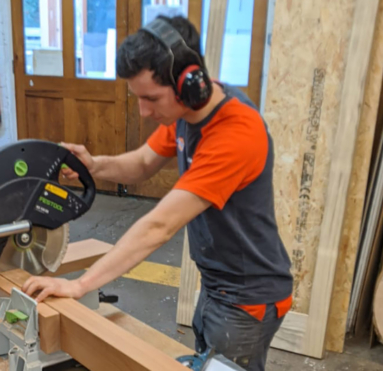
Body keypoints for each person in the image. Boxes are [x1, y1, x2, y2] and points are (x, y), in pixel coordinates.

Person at [22, 15, 293, 371]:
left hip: (247, 298)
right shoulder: (186, 113)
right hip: (217, 285)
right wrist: (94, 165)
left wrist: (81, 285)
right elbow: (143, 162)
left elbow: (159, 226)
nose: (144, 111)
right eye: (137, 98)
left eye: (151, 98)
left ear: (188, 83)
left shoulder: (235, 135)